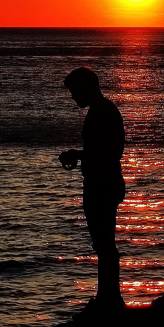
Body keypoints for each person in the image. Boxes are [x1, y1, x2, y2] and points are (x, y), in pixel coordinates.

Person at [59, 67, 125, 309]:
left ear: (87, 86)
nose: (73, 97)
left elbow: (105, 152)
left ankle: (109, 299)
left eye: (75, 91)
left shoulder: (101, 112)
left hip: (102, 183)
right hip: (105, 181)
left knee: (104, 243)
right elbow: (105, 151)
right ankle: (108, 296)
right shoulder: (103, 110)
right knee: (103, 242)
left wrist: (77, 154)